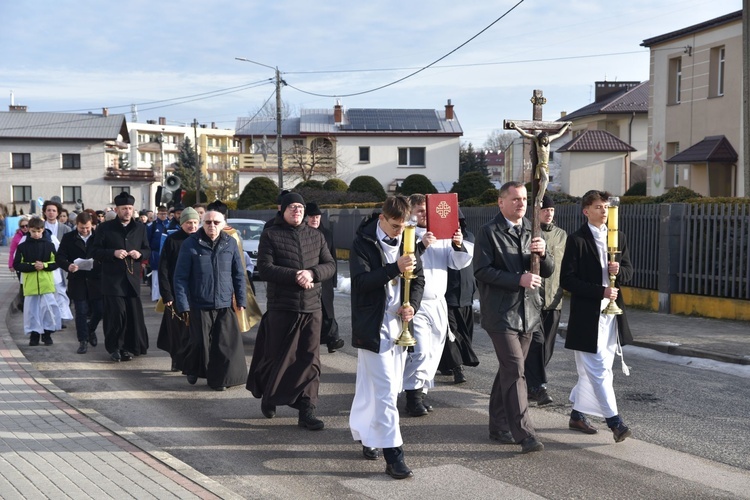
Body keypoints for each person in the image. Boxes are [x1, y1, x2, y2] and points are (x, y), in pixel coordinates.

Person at [473, 181, 553, 454]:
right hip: (500, 314)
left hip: (528, 312)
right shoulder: (488, 232)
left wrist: (544, 255)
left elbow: (549, 270)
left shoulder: (533, 229)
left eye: (524, 199)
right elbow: (483, 271)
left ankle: (498, 425)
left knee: (510, 370)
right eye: (516, 199)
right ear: (501, 202)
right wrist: (518, 279)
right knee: (517, 370)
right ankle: (525, 433)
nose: (521, 203)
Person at [349, 195, 424, 479]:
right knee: (384, 393)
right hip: (373, 326)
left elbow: (419, 280)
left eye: (402, 226)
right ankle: (395, 456)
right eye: (394, 226)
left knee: (386, 391)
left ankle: (367, 435)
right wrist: (395, 268)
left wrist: (412, 306)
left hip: (399, 326)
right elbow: (361, 283)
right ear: (382, 218)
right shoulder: (362, 242)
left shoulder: (408, 239)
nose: (398, 231)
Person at [246, 192, 335, 430]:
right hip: (282, 308)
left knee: (309, 360)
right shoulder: (271, 235)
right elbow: (264, 268)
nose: (297, 211)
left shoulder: (316, 236)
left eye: (300, 207)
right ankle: (269, 395)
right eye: (292, 207)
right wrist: (295, 275)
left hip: (311, 308)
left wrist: (313, 273)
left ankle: (307, 410)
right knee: (276, 358)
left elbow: (330, 265)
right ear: (283, 210)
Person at [561, 190, 634, 442]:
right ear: (586, 211)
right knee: (597, 367)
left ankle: (577, 414)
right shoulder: (577, 240)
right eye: (598, 207)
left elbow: (629, 271)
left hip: (612, 313)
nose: (603, 211)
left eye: (605, 206)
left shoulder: (618, 237)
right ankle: (615, 421)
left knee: (600, 369)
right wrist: (599, 290)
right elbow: (567, 279)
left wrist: (619, 271)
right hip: (587, 314)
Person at [402, 194, 472, 416]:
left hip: (438, 302)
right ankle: (412, 396)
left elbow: (457, 262)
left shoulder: (441, 234)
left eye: (426, 210)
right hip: (416, 303)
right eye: (419, 211)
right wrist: (421, 245)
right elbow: (405, 264)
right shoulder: (407, 234)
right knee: (420, 351)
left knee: (433, 351)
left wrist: (457, 244)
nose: (424, 215)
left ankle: (421, 393)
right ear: (411, 212)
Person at [173, 209, 248, 390]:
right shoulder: (190, 244)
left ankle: (220, 380)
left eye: (216, 222)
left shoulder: (230, 243)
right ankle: (193, 368)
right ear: (202, 223)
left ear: (223, 224)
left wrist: (241, 299)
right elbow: (180, 277)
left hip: (224, 303)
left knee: (223, 345)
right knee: (199, 343)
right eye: (208, 222)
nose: (212, 226)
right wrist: (183, 304)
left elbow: (238, 274)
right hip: (199, 303)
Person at [89, 191, 151, 362]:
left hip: (132, 279)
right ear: (117, 210)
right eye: (124, 208)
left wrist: (140, 254)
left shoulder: (140, 228)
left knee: (131, 315)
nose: (127, 211)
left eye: (130, 208)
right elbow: (95, 251)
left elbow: (147, 249)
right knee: (116, 314)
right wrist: (113, 253)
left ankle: (127, 348)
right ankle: (114, 347)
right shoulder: (105, 228)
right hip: (112, 280)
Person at [525, 195, 567, 406]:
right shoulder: (529, 234)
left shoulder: (562, 236)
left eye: (551, 210)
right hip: (533, 298)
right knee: (535, 344)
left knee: (546, 348)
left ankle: (529, 383)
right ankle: (538, 386)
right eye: (544, 210)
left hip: (554, 299)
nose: (549, 213)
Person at [438, 209, 479, 384]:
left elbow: (470, 260)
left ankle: (446, 363)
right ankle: (457, 367)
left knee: (465, 333)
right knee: (451, 333)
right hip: (447, 294)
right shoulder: (441, 239)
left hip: (467, 294)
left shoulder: (469, 237)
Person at [156, 207, 200, 372]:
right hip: (175, 294)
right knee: (177, 330)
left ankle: (192, 362)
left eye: (195, 222)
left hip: (196, 294)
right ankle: (177, 360)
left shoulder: (201, 239)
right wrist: (166, 293)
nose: (192, 226)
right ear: (182, 223)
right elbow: (164, 269)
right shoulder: (172, 241)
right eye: (189, 222)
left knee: (194, 330)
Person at [56, 211, 102, 354]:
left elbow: (104, 253)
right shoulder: (69, 238)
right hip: (77, 279)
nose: (85, 230)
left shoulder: (99, 237)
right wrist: (68, 265)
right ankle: (83, 340)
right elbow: (60, 257)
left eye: (88, 227)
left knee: (100, 309)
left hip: (96, 278)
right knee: (81, 311)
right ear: (77, 225)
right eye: (82, 228)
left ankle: (90, 329)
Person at [13, 217, 60, 346]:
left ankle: (47, 334)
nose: (36, 234)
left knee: (48, 310)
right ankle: (34, 335)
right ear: (28, 230)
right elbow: (17, 264)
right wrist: (33, 266)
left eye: (39, 231)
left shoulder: (49, 245)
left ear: (43, 230)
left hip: (46, 284)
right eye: (33, 231)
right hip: (31, 285)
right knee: (31, 311)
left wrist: (44, 265)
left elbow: (56, 262)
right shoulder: (22, 247)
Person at [305, 202, 344, 353]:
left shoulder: (326, 233)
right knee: (315, 312)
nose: (315, 219)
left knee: (328, 311)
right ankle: (321, 340)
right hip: (310, 278)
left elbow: (332, 257)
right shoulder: (303, 233)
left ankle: (333, 340)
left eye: (317, 217)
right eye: (312, 217)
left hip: (326, 279)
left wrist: (333, 280)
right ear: (306, 218)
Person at [507, 121, 570, 206]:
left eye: (546, 139)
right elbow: (526, 135)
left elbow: (559, 134)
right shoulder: (537, 141)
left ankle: (540, 197)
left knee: (544, 183)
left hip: (546, 166)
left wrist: (566, 126)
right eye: (543, 139)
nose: (545, 141)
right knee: (546, 180)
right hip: (541, 166)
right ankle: (539, 199)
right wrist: (516, 127)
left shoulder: (549, 140)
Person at [147, 205, 170, 299]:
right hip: (155, 254)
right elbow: (147, 241)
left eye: (165, 213)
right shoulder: (152, 226)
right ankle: (156, 297)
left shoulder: (170, 224)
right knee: (156, 277)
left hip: (167, 253)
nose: (163, 215)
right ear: (157, 214)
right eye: (161, 213)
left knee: (167, 275)